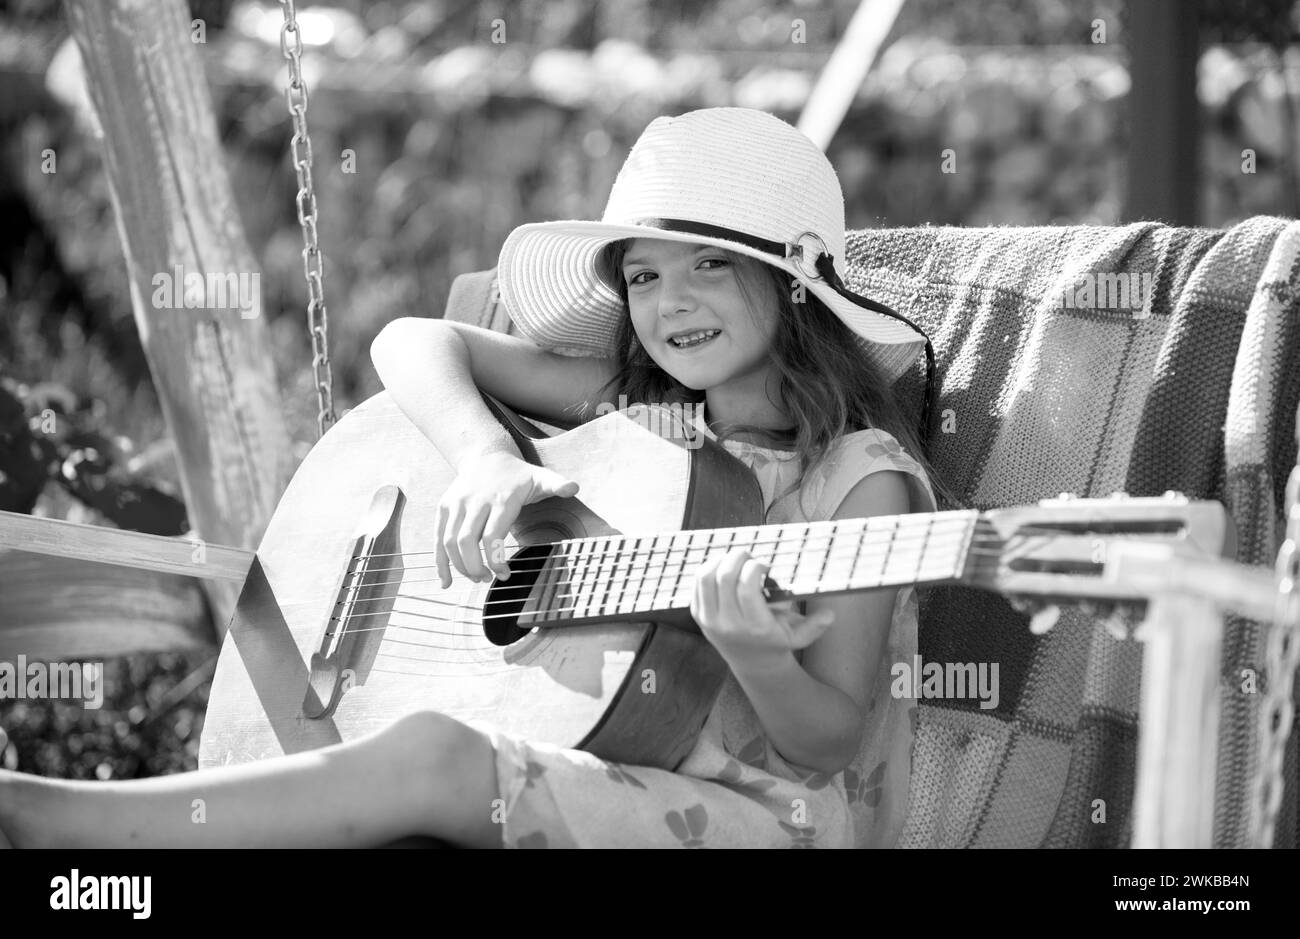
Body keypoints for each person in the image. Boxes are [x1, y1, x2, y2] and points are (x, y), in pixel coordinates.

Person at [0, 107, 947, 849]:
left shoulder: (859, 482)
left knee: (434, 751)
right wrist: (486, 454)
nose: (672, 302)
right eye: (645, 276)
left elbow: (824, 740)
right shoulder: (633, 409)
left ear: (794, 284)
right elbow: (411, 340)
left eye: (709, 264)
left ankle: (63, 828)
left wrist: (756, 651)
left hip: (763, 815)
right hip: (603, 755)